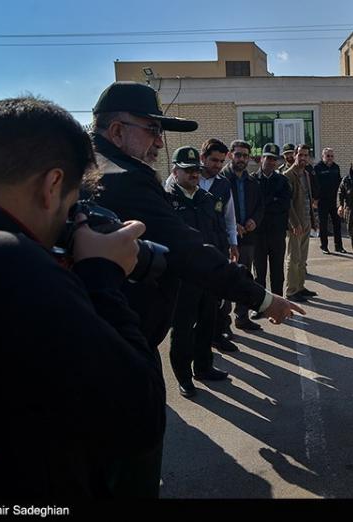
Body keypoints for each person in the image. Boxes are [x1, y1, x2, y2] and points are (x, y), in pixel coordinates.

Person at [0, 97, 164, 498]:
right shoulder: (2, 261)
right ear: (52, 184)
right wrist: (101, 274)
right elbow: (137, 416)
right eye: (72, 206)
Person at [88, 81, 304, 495]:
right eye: (151, 129)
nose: (158, 141)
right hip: (118, 350)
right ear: (116, 131)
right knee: (132, 468)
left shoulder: (93, 167)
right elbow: (187, 248)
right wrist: (261, 297)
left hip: (102, 344)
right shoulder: (125, 178)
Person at [164, 146, 230, 399]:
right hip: (182, 280)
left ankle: (203, 367)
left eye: (196, 171)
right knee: (182, 330)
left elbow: (218, 235)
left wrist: (222, 266)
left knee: (207, 324)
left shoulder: (206, 199)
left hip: (208, 276)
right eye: (187, 170)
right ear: (175, 171)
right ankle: (184, 377)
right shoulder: (167, 200)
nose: (193, 175)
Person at [198, 138, 240, 353]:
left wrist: (233, 243)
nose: (217, 165)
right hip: (193, 250)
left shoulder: (223, 184)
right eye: (213, 160)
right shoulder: (184, 178)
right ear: (202, 157)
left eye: (221, 161)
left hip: (218, 248)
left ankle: (219, 335)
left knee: (219, 296)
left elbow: (229, 217)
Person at [221, 140, 265, 331]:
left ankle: (242, 317)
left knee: (245, 277)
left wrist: (254, 220)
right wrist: (232, 225)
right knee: (224, 280)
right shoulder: (221, 180)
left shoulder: (252, 181)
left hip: (247, 238)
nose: (241, 159)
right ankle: (224, 324)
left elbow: (260, 206)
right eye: (238, 155)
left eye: (245, 155)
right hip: (225, 239)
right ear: (231, 155)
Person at [252, 143, 291, 301]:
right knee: (259, 272)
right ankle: (260, 305)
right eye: (268, 158)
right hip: (258, 233)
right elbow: (254, 205)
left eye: (274, 159)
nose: (271, 162)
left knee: (277, 271)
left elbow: (285, 204)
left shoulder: (282, 180)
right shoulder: (253, 180)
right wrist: (271, 201)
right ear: (262, 159)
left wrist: (266, 203)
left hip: (277, 232)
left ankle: (278, 303)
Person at [284, 144, 319, 302]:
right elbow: (288, 203)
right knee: (294, 259)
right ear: (295, 155)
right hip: (295, 225)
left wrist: (312, 220)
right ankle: (291, 291)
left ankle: (300, 287)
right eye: (301, 155)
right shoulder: (288, 175)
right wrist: (294, 224)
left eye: (306, 155)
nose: (303, 158)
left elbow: (308, 199)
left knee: (303, 259)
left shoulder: (306, 173)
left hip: (305, 222)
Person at [313, 147, 345, 254]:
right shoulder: (317, 168)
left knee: (337, 223)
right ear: (323, 156)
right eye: (328, 156)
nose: (330, 158)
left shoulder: (336, 167)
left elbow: (340, 184)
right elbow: (315, 185)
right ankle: (324, 246)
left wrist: (341, 200)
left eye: (331, 156)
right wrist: (315, 199)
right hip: (322, 201)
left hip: (334, 200)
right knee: (323, 225)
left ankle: (339, 246)